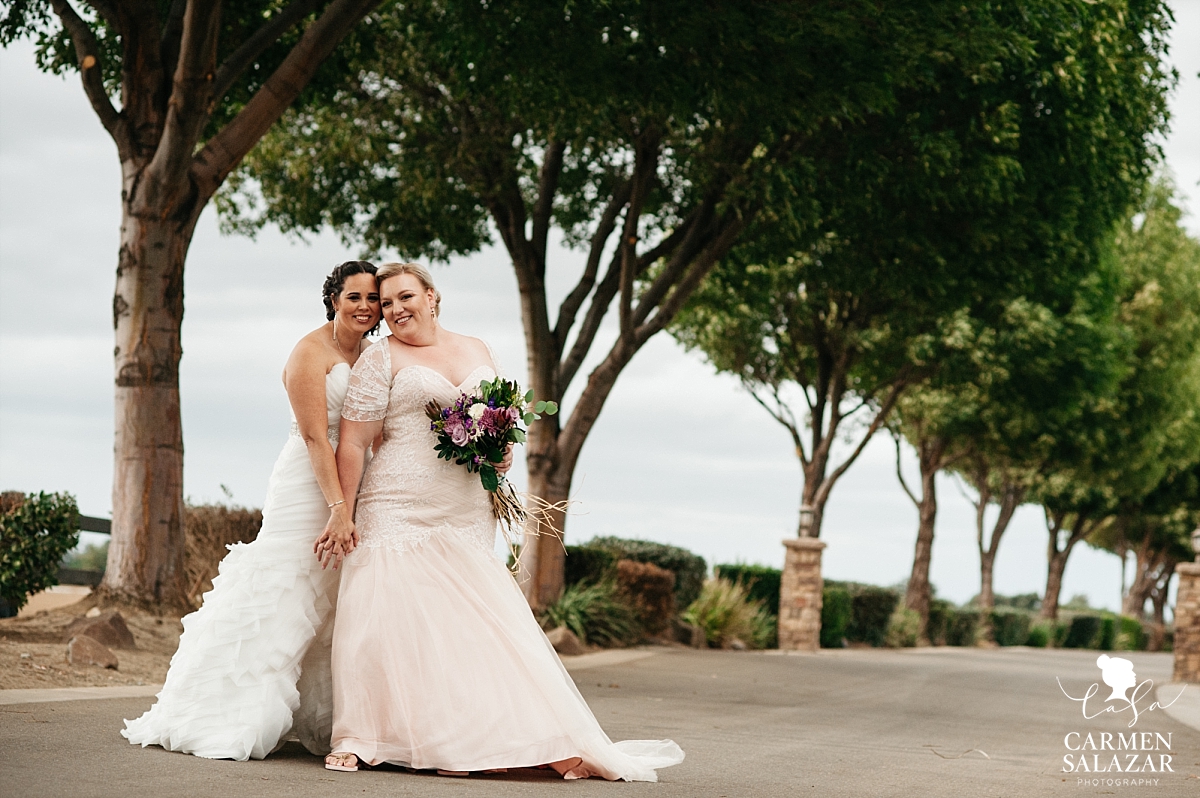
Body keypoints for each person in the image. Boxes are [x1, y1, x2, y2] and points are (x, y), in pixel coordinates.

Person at [322, 261, 685, 781]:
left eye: (406, 297)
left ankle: (471, 737)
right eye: (386, 303)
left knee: (468, 627)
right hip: (396, 502)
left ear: (432, 296)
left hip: (466, 505)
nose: (395, 310)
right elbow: (355, 442)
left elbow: (502, 423)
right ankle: (359, 736)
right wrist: (345, 513)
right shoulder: (380, 357)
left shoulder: (477, 349)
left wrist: (501, 453)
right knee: (382, 621)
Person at [122, 261, 381, 760]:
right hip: (309, 482)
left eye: (373, 298)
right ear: (334, 299)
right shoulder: (309, 352)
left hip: (354, 478)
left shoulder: (372, 355)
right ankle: (233, 710)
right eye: (354, 297)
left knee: (334, 589)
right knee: (287, 582)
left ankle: (322, 715)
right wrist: (336, 507)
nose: (365, 307)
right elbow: (313, 437)